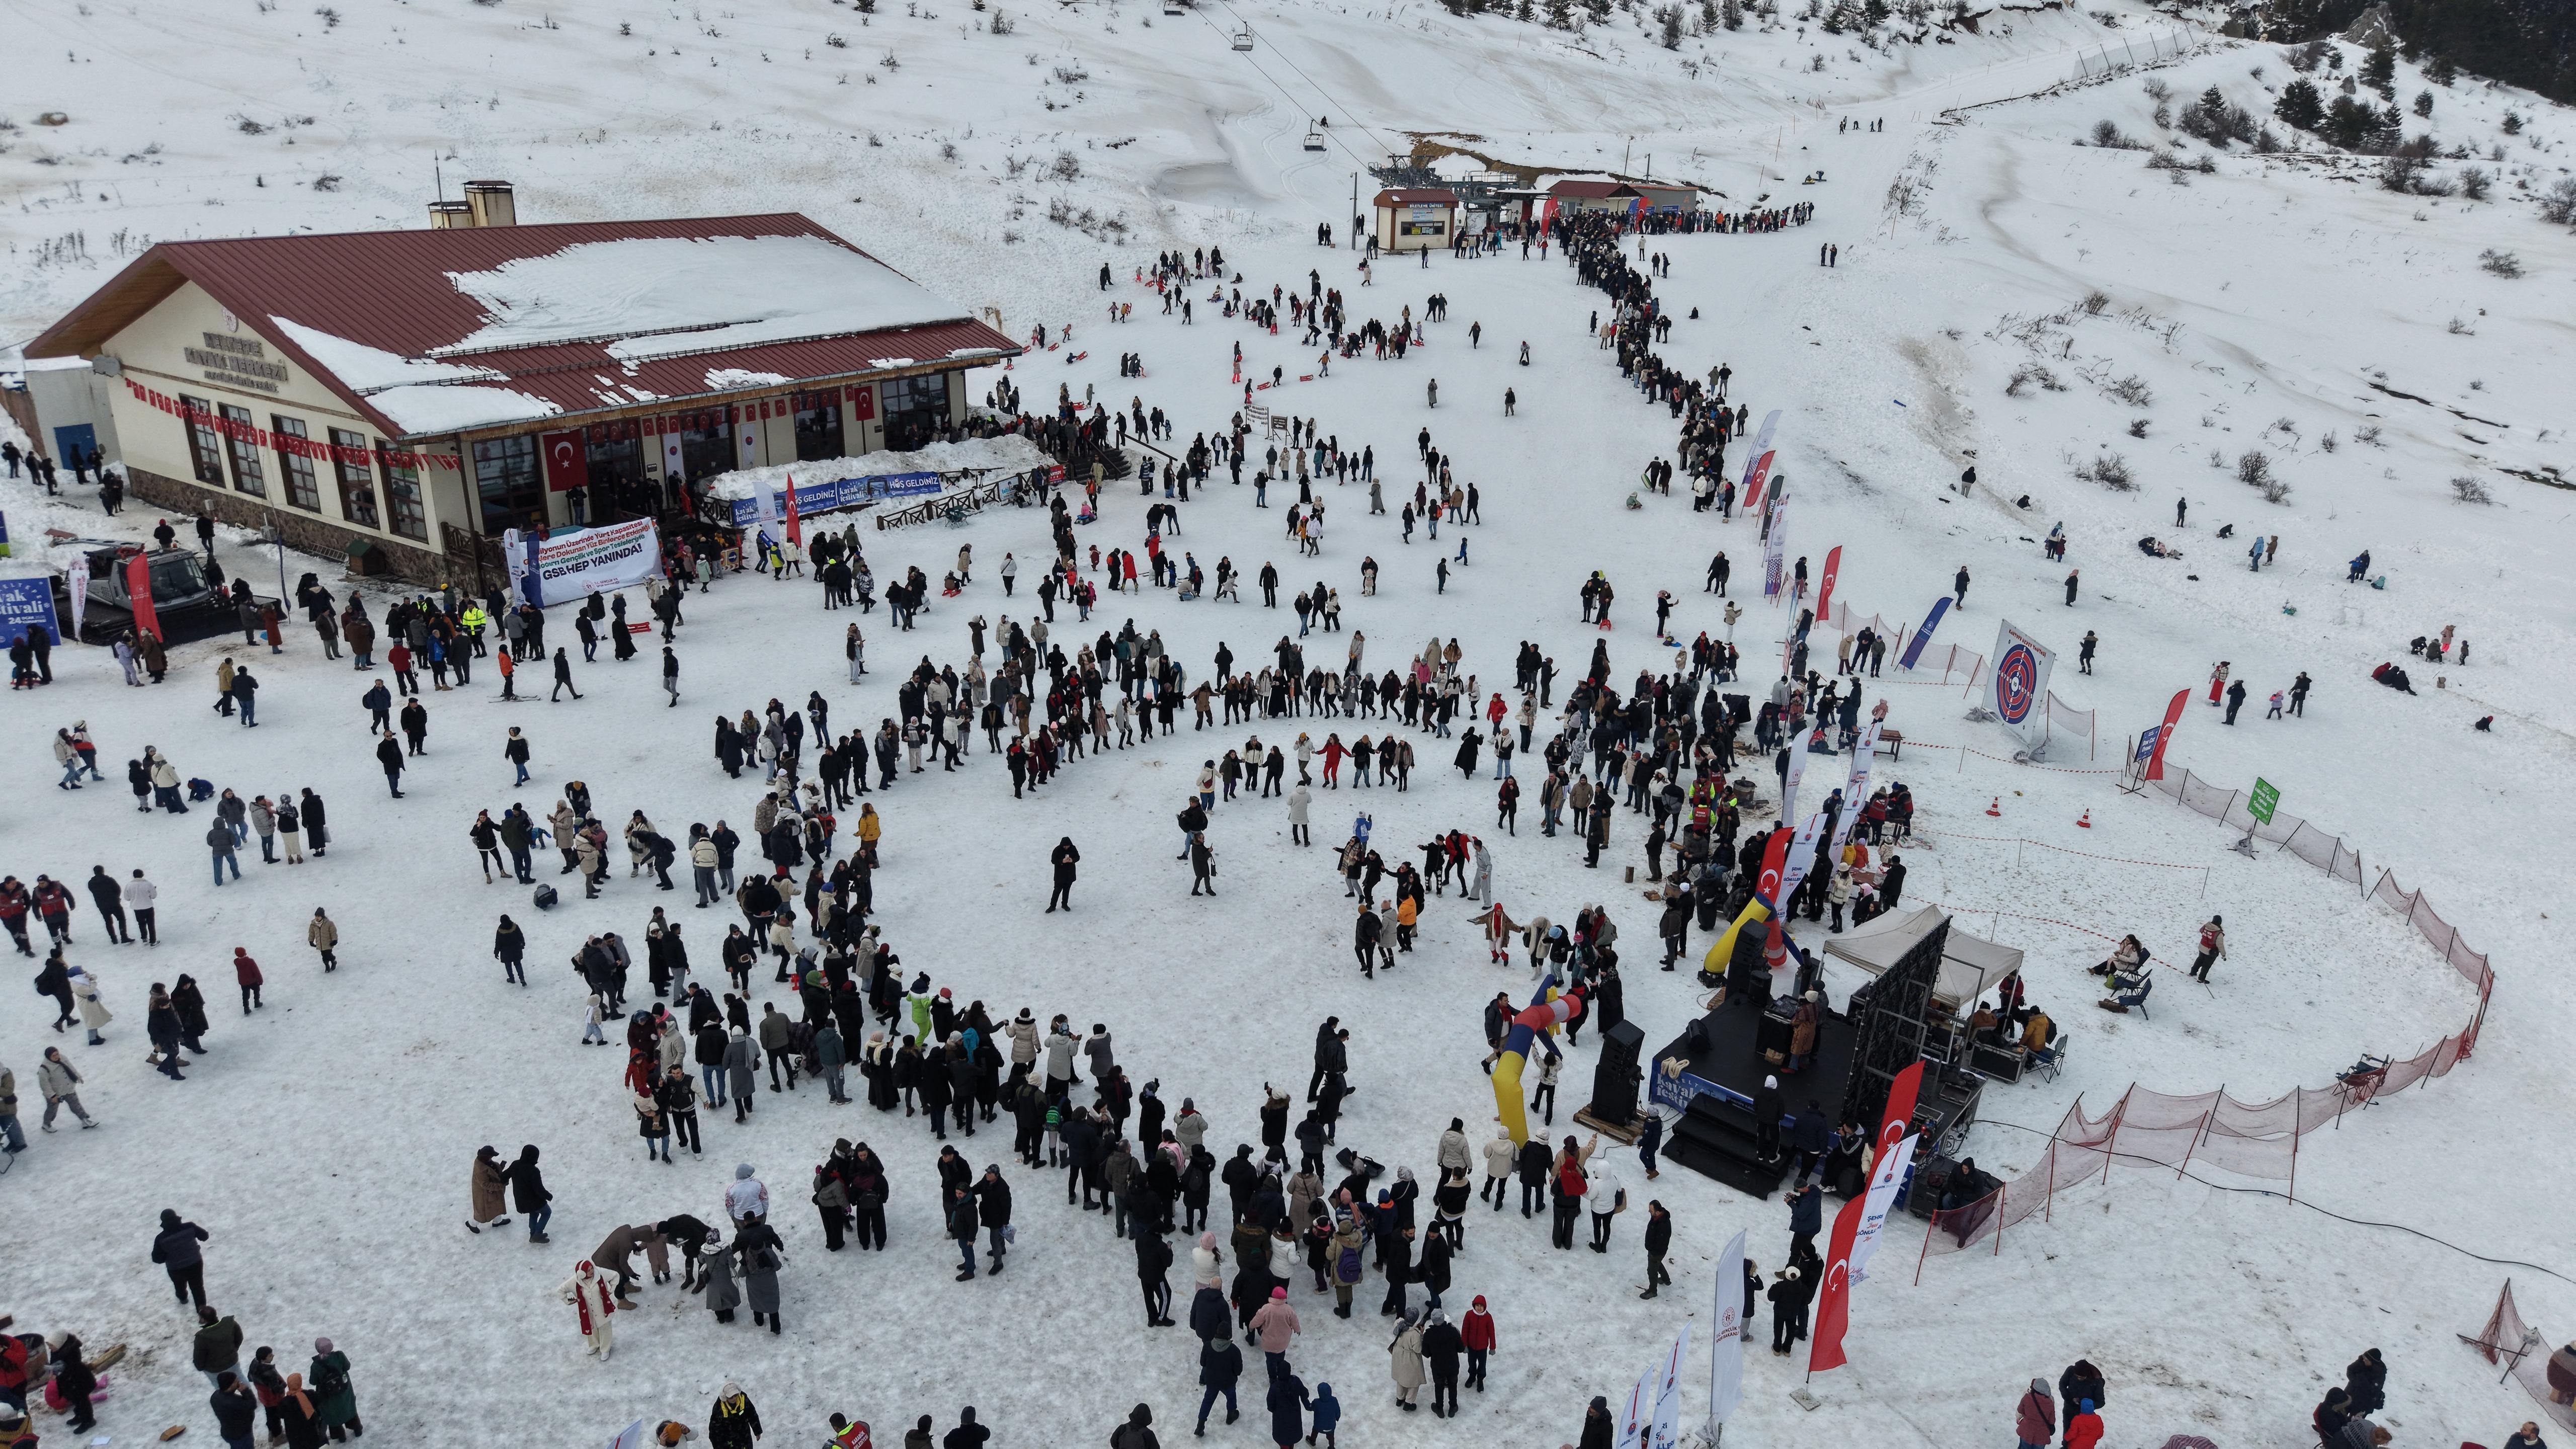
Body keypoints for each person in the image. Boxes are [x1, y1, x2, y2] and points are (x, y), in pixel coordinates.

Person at [2015, 1377, 2056, 1449]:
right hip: (2041, 1435)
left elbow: (2020, 1410)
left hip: (2026, 1431)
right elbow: (2052, 1421)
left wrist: (2019, 1418)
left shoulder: (2027, 1398)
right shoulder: (2050, 1403)